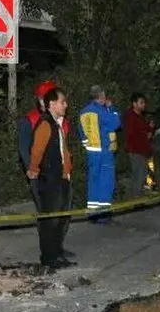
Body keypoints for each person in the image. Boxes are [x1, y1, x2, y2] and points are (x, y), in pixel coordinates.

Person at [18, 80, 75, 259]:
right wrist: (33, 171)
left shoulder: (60, 121)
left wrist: (66, 169)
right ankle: (49, 254)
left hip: (60, 175)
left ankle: (57, 248)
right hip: (44, 176)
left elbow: (63, 147)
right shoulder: (32, 120)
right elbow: (30, 150)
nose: (64, 104)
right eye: (60, 100)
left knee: (62, 214)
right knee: (48, 216)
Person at [78, 85, 121, 222]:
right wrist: (112, 109)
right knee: (106, 182)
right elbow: (116, 123)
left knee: (93, 182)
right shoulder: (101, 111)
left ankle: (93, 214)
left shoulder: (84, 112)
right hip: (104, 152)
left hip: (91, 153)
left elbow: (81, 132)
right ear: (101, 96)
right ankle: (103, 215)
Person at [124, 93, 154, 196]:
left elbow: (144, 129)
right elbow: (132, 134)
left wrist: (149, 128)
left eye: (144, 102)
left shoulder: (139, 116)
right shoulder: (130, 116)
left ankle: (136, 196)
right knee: (139, 175)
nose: (144, 105)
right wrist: (146, 135)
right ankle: (136, 198)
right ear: (134, 104)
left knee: (141, 174)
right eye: (141, 102)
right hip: (135, 150)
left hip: (141, 150)